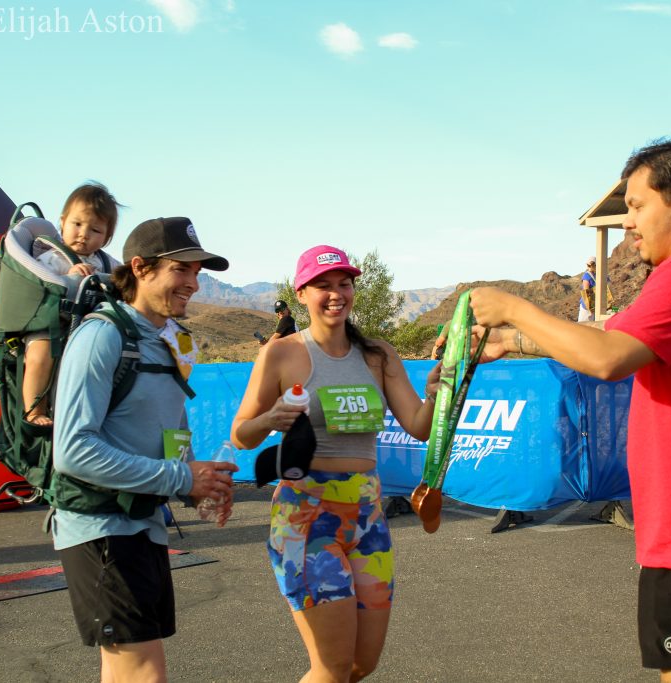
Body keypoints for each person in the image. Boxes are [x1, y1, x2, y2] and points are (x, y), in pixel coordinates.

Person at [469, 140, 671, 682]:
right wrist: (511, 339)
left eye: (636, 205)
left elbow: (608, 359)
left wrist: (513, 306)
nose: (628, 222)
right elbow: (611, 332)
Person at [231, 244, 441, 683]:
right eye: (322, 286)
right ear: (302, 292)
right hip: (306, 518)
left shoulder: (378, 354)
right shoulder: (281, 353)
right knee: (332, 667)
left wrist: (437, 394)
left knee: (362, 664)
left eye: (343, 284)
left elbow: (419, 426)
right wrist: (271, 418)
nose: (335, 294)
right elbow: (241, 433)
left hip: (368, 517)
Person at [52, 217, 239, 682]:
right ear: (140, 267)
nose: (194, 283)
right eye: (182, 270)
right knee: (144, 673)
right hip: (100, 528)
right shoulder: (101, 335)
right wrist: (180, 478)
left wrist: (196, 484)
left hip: (143, 526)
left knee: (124, 672)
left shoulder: (173, 340)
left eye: (198, 272)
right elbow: (72, 449)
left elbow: (172, 426)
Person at [23, 182, 122, 425]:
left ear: (106, 237)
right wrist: (71, 275)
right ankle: (35, 411)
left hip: (87, 330)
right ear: (63, 222)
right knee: (41, 354)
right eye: (77, 224)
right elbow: (40, 281)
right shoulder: (51, 256)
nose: (83, 234)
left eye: (95, 230)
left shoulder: (104, 262)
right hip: (49, 325)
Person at [578, 256, 615, 322]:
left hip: (589, 305)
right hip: (600, 303)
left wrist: (591, 309)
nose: (589, 267)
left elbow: (586, 292)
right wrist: (611, 305)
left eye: (590, 265)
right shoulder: (604, 274)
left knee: (582, 327)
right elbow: (611, 289)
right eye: (588, 265)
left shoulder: (587, 276)